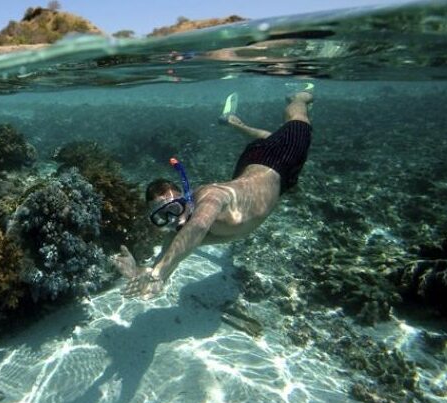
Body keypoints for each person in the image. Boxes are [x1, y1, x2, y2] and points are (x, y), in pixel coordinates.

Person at [115, 90, 314, 299]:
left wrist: (159, 275)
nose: (174, 219)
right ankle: (235, 123)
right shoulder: (179, 235)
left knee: (297, 119)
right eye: (162, 217)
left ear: (187, 199)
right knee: (269, 138)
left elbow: (198, 226)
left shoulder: (212, 196)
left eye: (174, 208)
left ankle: (299, 97)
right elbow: (163, 263)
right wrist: (138, 272)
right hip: (251, 168)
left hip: (281, 160)